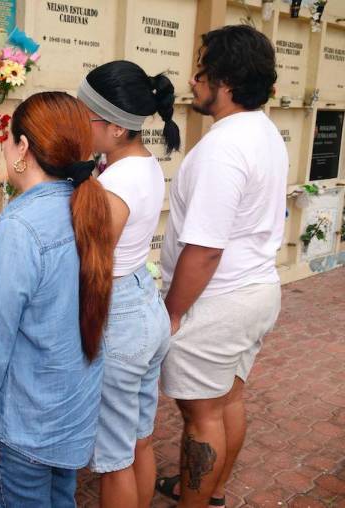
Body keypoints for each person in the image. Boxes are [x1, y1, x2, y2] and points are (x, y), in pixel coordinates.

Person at [0, 92, 114, 507]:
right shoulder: (86, 211)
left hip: (25, 423)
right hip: (69, 413)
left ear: (23, 148)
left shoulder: (22, 228)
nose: (5, 148)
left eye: (9, 139)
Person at [155, 25, 286, 507]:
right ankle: (212, 491)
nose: (193, 80)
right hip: (256, 291)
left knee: (200, 414)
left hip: (216, 302)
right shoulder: (263, 131)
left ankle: (194, 502)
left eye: (202, 71)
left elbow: (205, 249)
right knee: (228, 400)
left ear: (224, 83)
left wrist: (171, 311)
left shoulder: (221, 149)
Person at [76, 61, 178, 508]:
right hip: (143, 306)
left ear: (116, 128)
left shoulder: (115, 182)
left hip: (121, 318)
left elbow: (93, 259)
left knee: (113, 457)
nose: (79, 122)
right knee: (139, 440)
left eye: (86, 115)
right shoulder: (140, 163)